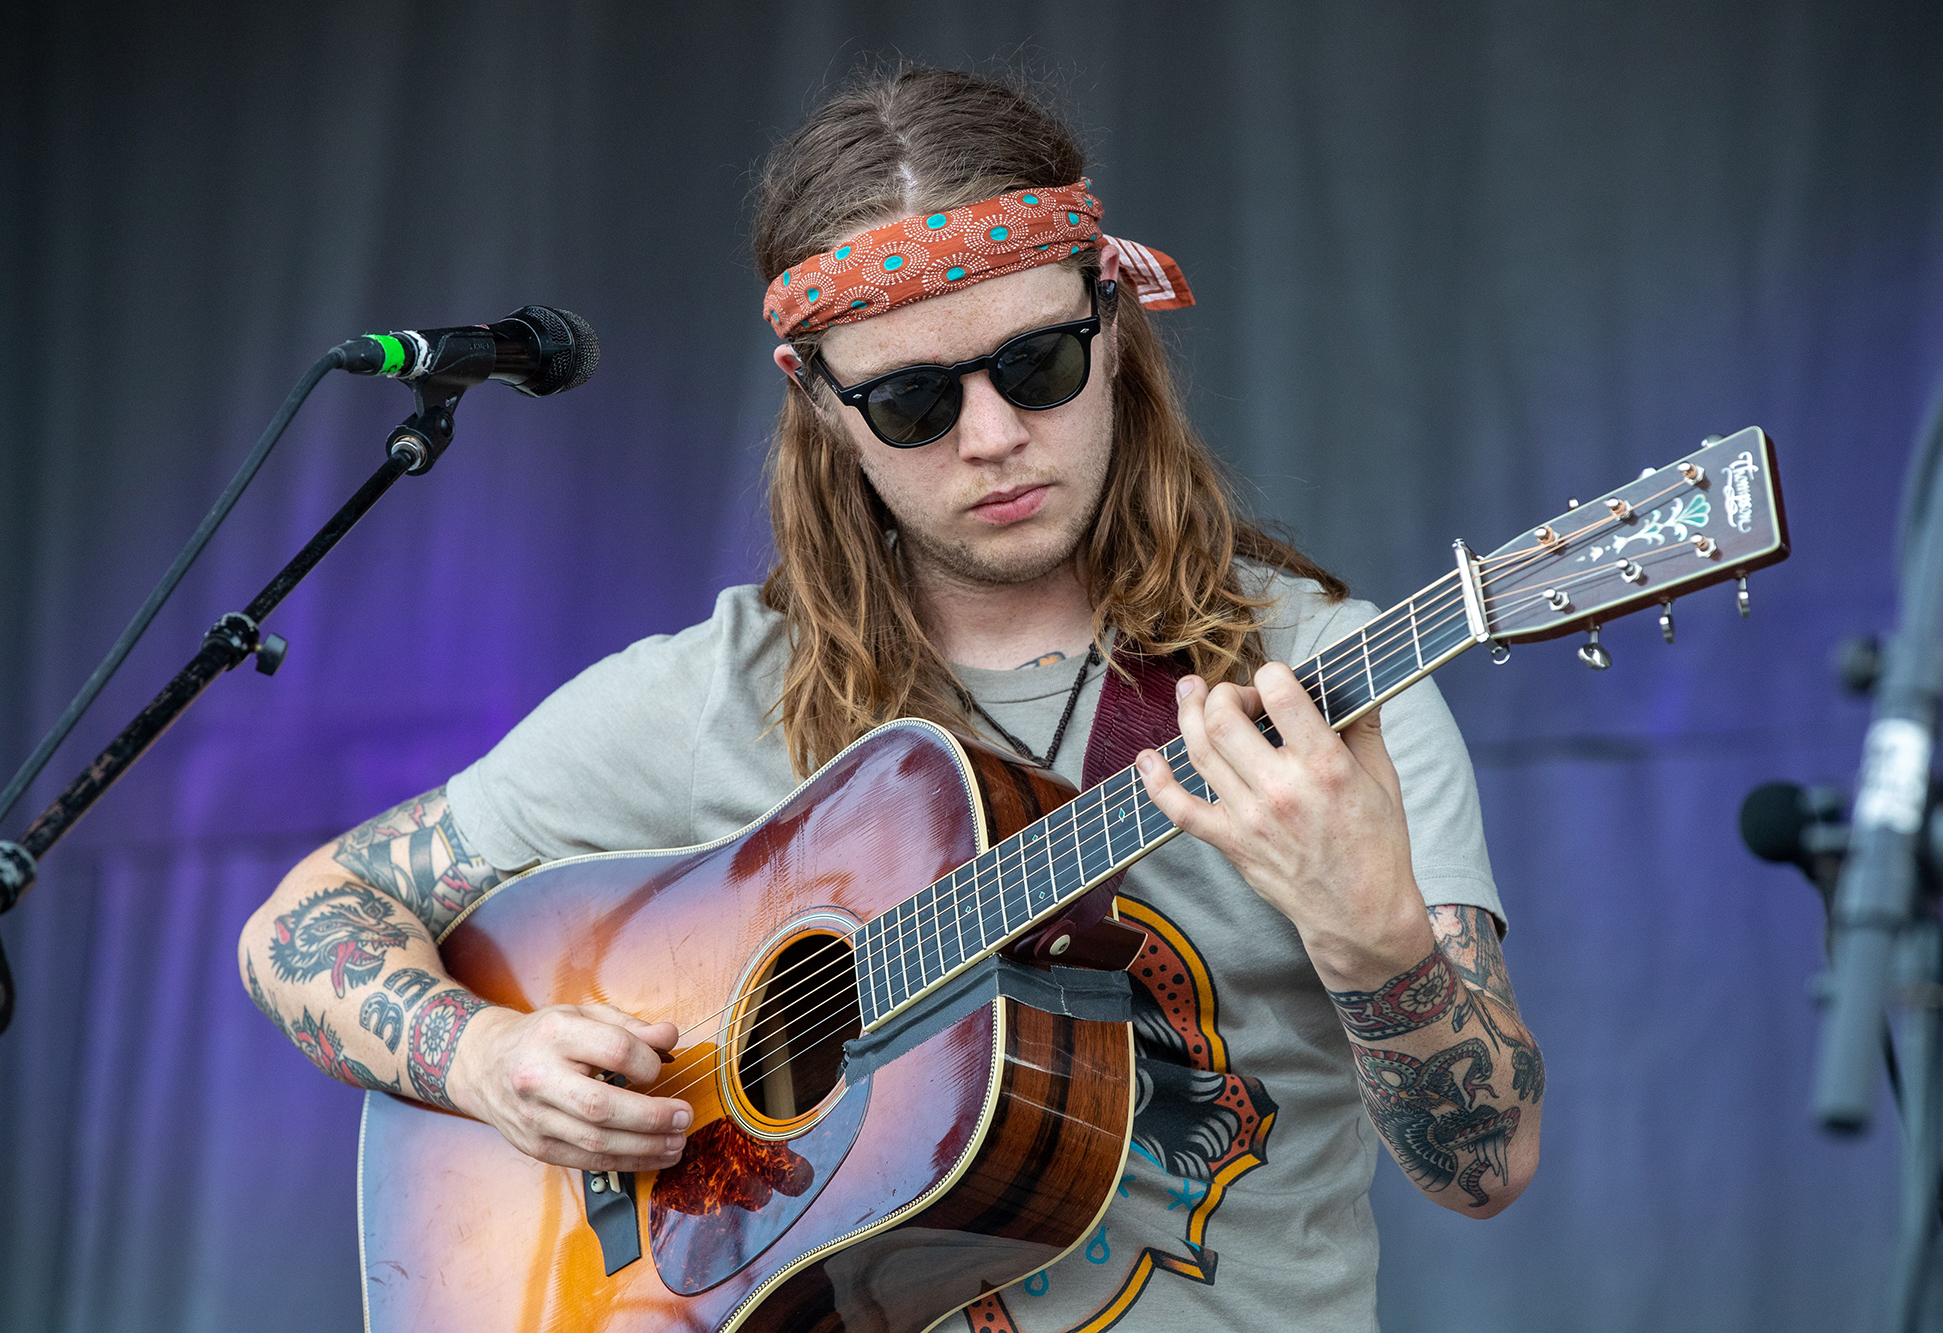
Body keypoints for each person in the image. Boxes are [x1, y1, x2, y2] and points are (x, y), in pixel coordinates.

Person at [241, 63, 1542, 1332]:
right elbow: (300, 922)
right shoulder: (716, 697)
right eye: (914, 400)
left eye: (1036, 365)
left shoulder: (1328, 690)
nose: (990, 436)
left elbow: (1484, 1168)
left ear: (1112, 320)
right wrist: (487, 1061)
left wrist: (1383, 948)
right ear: (820, 402)